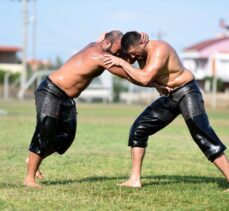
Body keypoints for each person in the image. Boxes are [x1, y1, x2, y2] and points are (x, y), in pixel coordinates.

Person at [24, 30, 170, 188]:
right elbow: (129, 75)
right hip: (51, 91)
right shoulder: (100, 56)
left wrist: (140, 37)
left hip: (66, 98)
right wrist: (157, 84)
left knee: (66, 138)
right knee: (45, 132)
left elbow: (108, 35)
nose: (119, 55)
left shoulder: (102, 44)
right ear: (107, 44)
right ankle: (29, 179)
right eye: (118, 52)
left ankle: (33, 158)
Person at [103, 31, 229, 188]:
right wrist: (157, 85)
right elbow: (137, 74)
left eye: (134, 53)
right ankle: (135, 180)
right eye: (131, 55)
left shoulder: (160, 49)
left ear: (141, 43)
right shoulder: (139, 52)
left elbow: (144, 77)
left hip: (187, 92)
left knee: (203, 136)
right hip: (170, 97)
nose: (133, 57)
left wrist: (122, 63)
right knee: (139, 129)